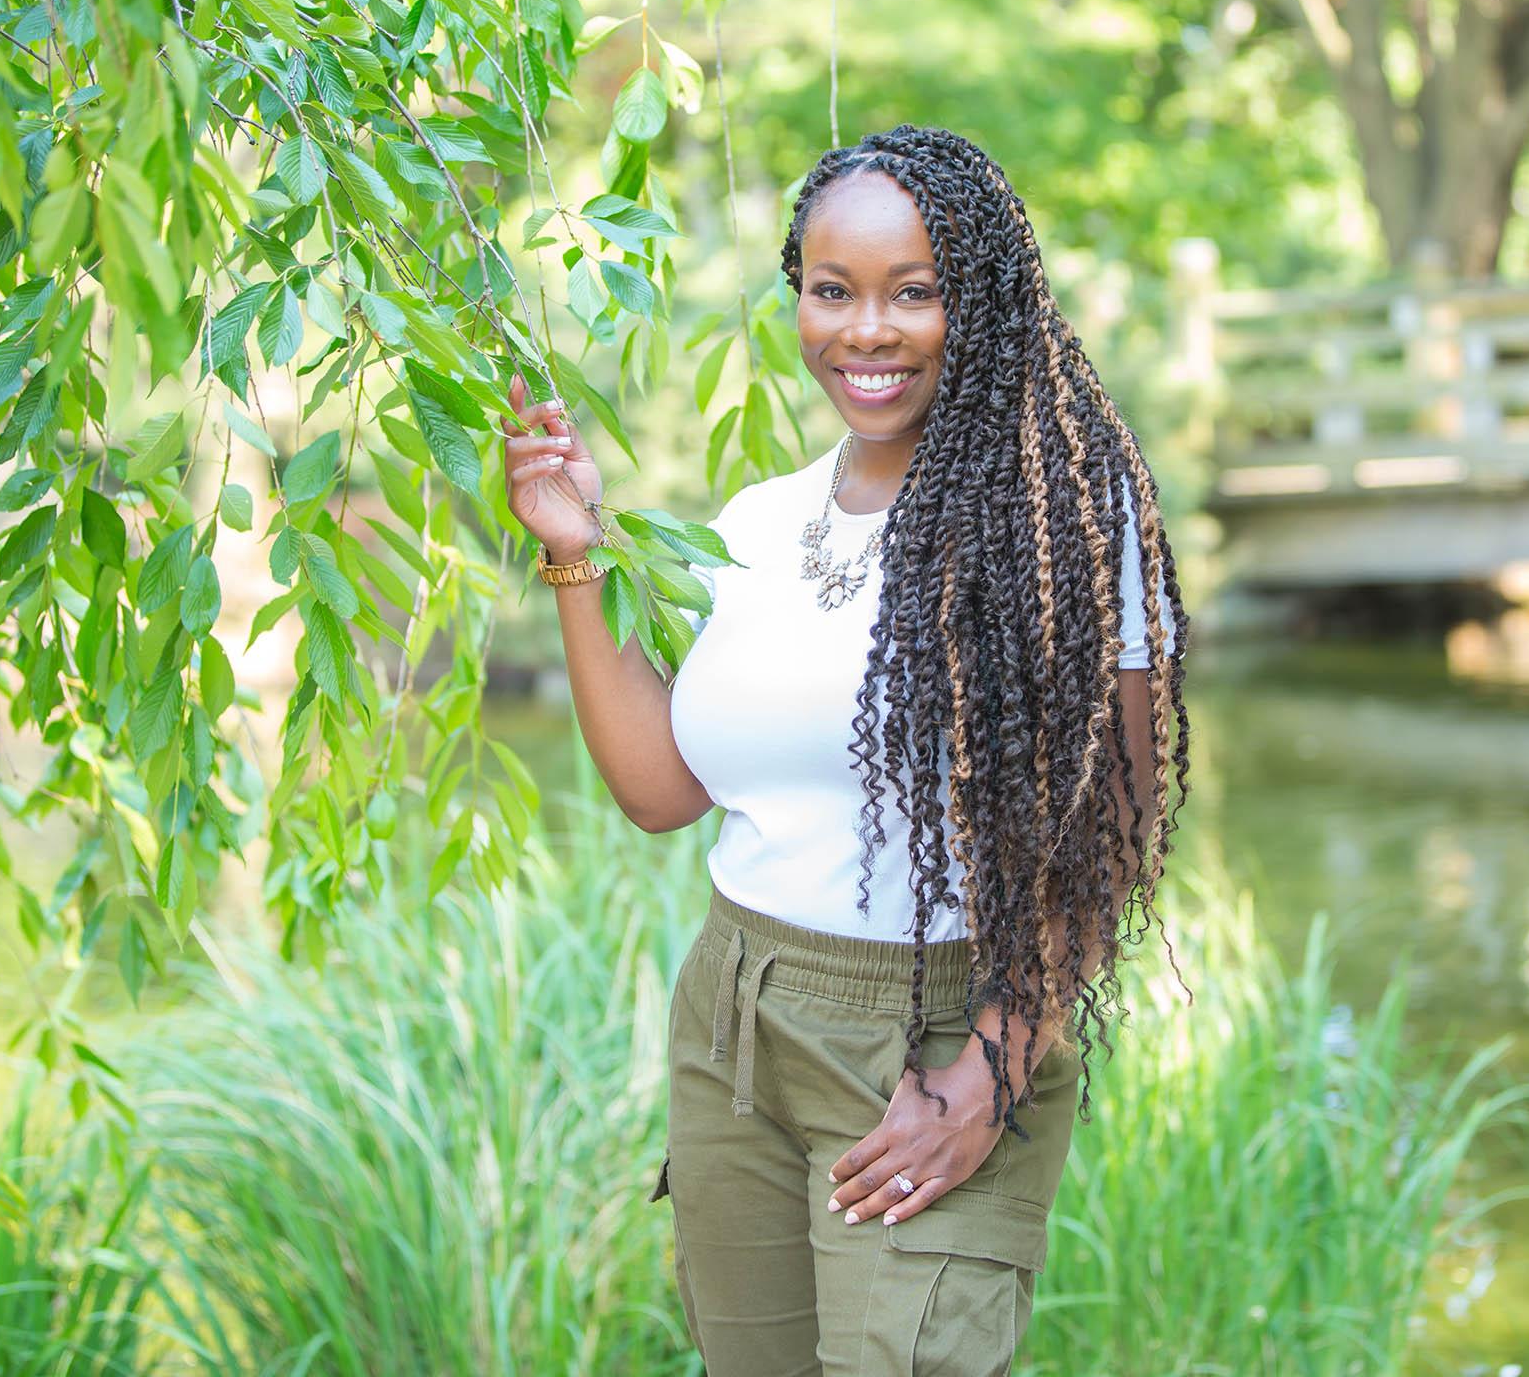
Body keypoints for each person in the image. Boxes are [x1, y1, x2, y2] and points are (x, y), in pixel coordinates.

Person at [499, 123, 1192, 1376]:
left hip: (937, 1031)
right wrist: (576, 554)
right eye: (833, 291)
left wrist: (992, 1071)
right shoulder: (757, 524)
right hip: (736, 1021)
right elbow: (662, 793)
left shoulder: (1060, 520)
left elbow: (1118, 833)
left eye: (913, 292)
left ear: (977, 300)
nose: (865, 330)